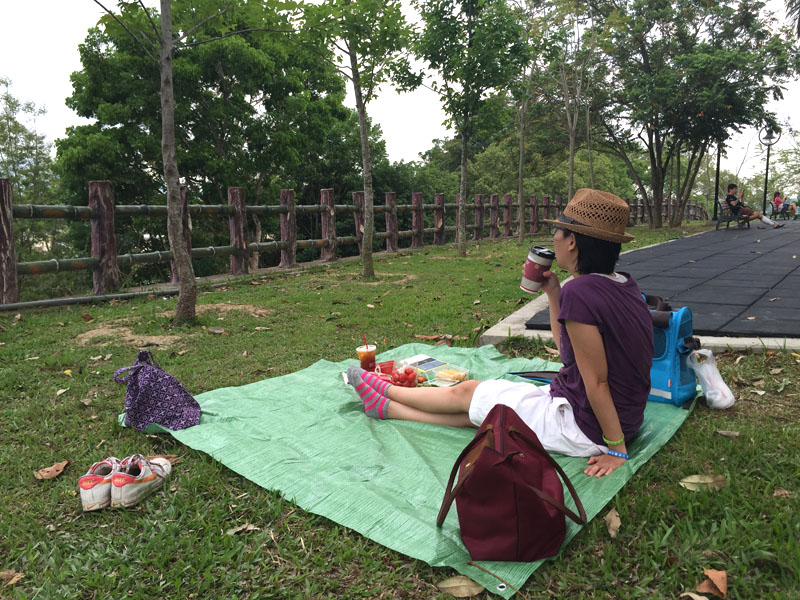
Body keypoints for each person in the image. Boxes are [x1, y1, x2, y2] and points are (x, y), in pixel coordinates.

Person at [346, 189, 653, 478]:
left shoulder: (583, 292)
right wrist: (554, 294)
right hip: (617, 415)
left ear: (572, 241)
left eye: (558, 232)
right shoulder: (621, 282)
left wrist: (617, 450)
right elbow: (570, 356)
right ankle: (387, 409)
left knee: (468, 392)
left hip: (587, 426)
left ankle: (385, 389)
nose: (554, 239)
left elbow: (597, 381)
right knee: (482, 415)